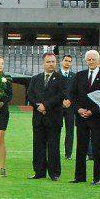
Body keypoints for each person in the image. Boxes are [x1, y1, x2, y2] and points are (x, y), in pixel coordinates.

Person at [71, 49, 100, 185]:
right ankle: (80, 176)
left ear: (98, 60)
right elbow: (73, 95)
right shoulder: (79, 76)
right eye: (89, 59)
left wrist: (92, 111)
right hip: (82, 117)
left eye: (94, 59)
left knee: (97, 148)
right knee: (81, 147)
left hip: (98, 117)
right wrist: (78, 109)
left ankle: (97, 177)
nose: (91, 61)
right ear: (86, 61)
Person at [26, 52, 69, 181]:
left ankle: (54, 173)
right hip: (38, 118)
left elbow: (61, 96)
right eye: (48, 62)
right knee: (38, 146)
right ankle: (39, 172)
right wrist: (38, 106)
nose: (51, 64)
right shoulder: (35, 79)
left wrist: (46, 106)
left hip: (54, 118)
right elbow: (30, 95)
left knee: (53, 146)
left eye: (53, 62)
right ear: (43, 63)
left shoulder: (62, 79)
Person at [58, 55, 77, 160]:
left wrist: (70, 101)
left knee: (70, 130)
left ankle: (68, 154)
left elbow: (75, 92)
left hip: (70, 107)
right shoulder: (56, 75)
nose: (67, 63)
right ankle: (55, 151)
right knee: (56, 129)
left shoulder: (74, 76)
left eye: (69, 61)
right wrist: (61, 101)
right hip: (58, 107)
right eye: (66, 60)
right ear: (62, 61)